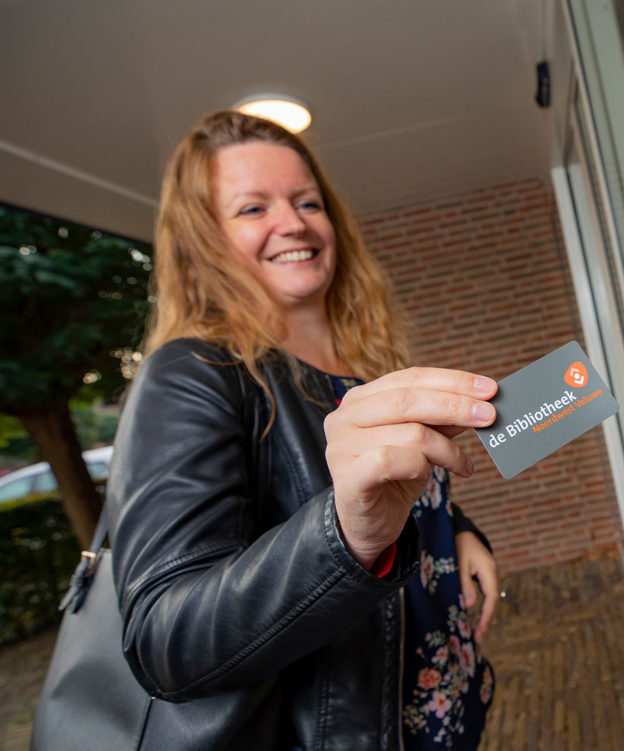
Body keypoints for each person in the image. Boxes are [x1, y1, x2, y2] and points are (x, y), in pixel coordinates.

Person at [105, 109, 501, 750]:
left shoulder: (367, 362)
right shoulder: (194, 374)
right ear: (202, 238)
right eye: (252, 209)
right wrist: (344, 533)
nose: (293, 223)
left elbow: (405, 494)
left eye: (307, 201)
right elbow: (164, 640)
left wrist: (459, 531)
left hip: (442, 711)